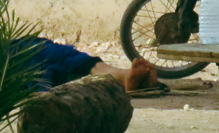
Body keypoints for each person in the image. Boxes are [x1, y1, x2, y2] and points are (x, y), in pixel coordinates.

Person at [11, 36, 158, 92]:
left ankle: (122, 76)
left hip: (10, 46)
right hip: (1, 61)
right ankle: (120, 79)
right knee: (39, 70)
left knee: (55, 52)